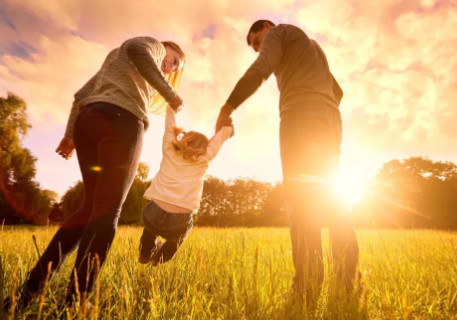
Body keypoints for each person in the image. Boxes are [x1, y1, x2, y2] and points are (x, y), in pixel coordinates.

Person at [4, 37, 186, 311]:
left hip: (89, 122)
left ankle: (27, 294)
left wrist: (69, 135)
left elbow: (80, 97)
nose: (170, 68)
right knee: (107, 211)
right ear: (166, 47)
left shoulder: (116, 61)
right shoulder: (151, 45)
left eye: (174, 68)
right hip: (121, 122)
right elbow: (139, 49)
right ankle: (75, 303)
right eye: (173, 60)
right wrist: (170, 93)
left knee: (89, 209)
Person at [215, 20, 359, 292]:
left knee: (302, 202)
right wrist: (321, 106)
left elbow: (262, 68)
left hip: (300, 117)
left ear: (267, 27)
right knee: (334, 200)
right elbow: (338, 91)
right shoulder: (312, 46)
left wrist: (228, 106)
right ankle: (347, 283)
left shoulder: (279, 32)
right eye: (256, 47)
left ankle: (307, 285)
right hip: (329, 118)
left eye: (258, 42)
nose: (259, 49)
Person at [138, 104, 233, 266]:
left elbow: (169, 125)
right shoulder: (205, 158)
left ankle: (145, 253)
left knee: (150, 230)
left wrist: (171, 106)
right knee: (177, 239)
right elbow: (219, 140)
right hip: (179, 220)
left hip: (153, 213)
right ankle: (159, 259)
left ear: (184, 139)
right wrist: (227, 128)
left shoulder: (169, 147)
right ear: (204, 148)